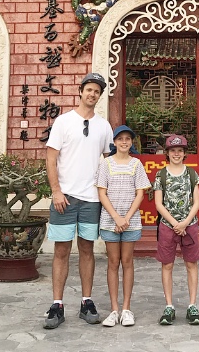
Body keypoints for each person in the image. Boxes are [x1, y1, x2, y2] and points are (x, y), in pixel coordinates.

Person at [43, 72, 113, 330]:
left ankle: (86, 301)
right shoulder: (63, 122)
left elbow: (108, 162)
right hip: (65, 198)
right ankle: (57, 304)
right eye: (89, 89)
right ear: (80, 91)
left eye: (97, 91)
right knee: (61, 250)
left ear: (99, 96)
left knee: (87, 249)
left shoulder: (104, 126)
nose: (92, 94)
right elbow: (51, 158)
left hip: (91, 199)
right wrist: (56, 191)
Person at [95, 125, 151, 328]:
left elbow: (140, 193)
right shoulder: (105, 164)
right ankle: (114, 309)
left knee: (127, 262)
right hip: (110, 221)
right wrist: (116, 217)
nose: (124, 142)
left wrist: (125, 218)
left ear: (131, 142)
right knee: (113, 262)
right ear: (115, 142)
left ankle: (126, 308)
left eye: (128, 139)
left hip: (131, 221)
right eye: (120, 139)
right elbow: (102, 193)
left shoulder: (136, 164)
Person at [153, 134, 199, 326]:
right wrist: (175, 223)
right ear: (167, 153)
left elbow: (196, 202)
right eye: (173, 151)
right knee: (167, 265)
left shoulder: (191, 174)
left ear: (184, 153)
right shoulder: (161, 175)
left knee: (191, 264)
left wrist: (185, 223)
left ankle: (192, 305)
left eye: (180, 151)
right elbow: (159, 203)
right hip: (168, 226)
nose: (176, 154)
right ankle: (169, 306)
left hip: (189, 226)